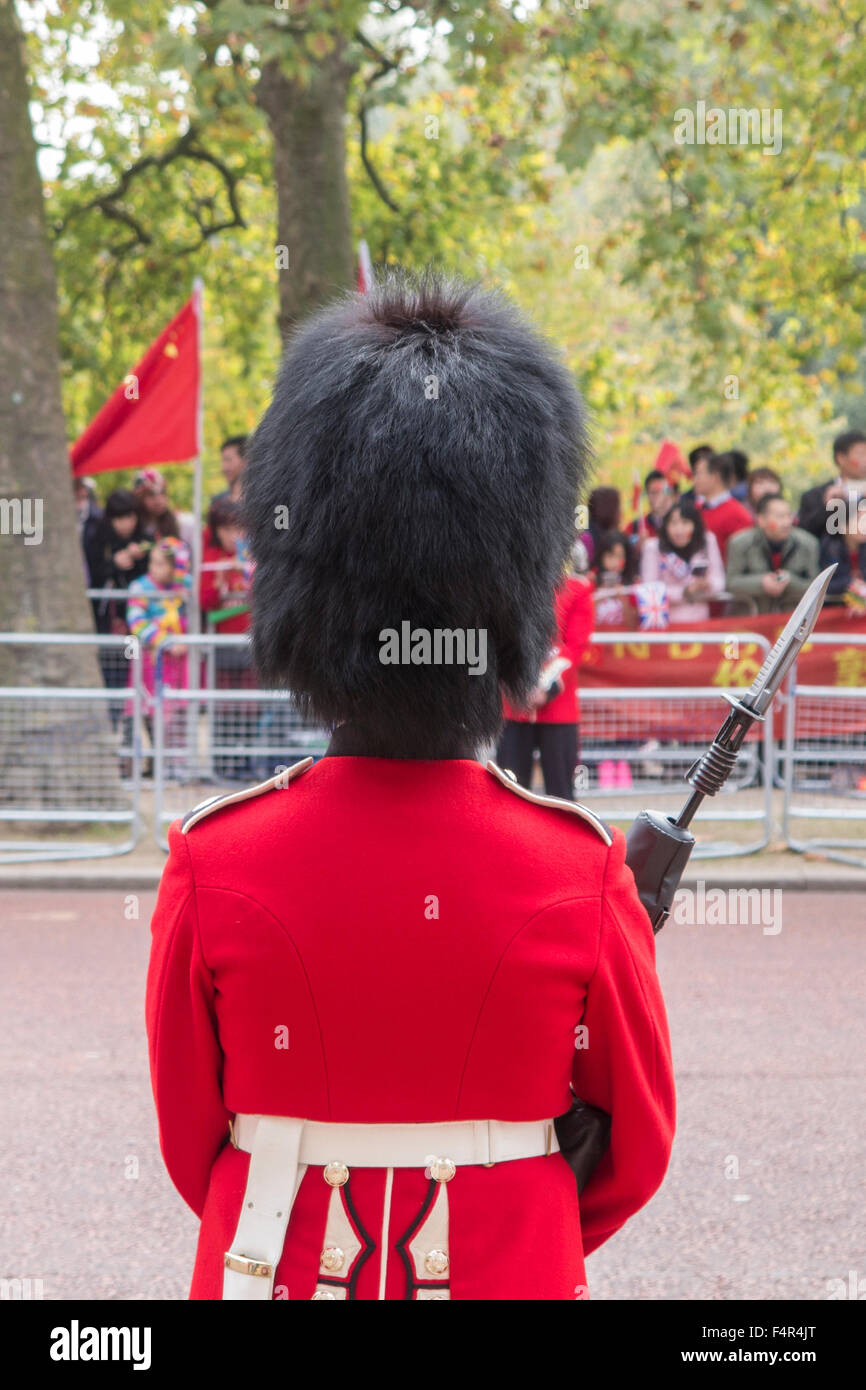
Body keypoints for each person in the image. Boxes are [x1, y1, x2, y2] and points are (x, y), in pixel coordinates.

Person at [146, 269, 675, 1303]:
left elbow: (191, 1139)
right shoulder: (577, 867)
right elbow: (636, 1148)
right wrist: (522, 1213)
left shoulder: (215, 857)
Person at [498, 568, 594, 800]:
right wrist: (519, 682)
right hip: (515, 705)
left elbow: (575, 645)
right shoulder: (509, 585)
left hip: (557, 708)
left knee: (561, 796)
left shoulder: (577, 589)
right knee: (510, 794)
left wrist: (544, 687)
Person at [200, 497, 255, 780]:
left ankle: (245, 762)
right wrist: (220, 580)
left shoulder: (253, 557)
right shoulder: (211, 558)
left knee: (249, 706)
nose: (233, 535)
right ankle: (222, 762)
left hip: (250, 642)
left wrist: (245, 574)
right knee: (222, 705)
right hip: (221, 643)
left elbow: (264, 596)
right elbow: (205, 600)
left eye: (237, 528)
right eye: (225, 529)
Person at [125, 538, 191, 756]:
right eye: (152, 562)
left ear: (174, 567)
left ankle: (173, 762)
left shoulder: (184, 587)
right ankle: (149, 761)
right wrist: (165, 642)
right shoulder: (140, 587)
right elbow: (136, 621)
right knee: (147, 710)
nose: (154, 568)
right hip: (150, 661)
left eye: (161, 564)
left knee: (176, 714)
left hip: (177, 664)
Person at [726, 494, 819, 614]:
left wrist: (790, 581)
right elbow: (731, 583)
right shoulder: (740, 543)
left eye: (789, 515)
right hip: (752, 617)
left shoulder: (808, 543)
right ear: (761, 520)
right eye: (780, 516)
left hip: (791, 616)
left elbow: (816, 586)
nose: (786, 522)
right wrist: (761, 582)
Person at [640, 497, 725, 622]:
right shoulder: (653, 547)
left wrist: (707, 586)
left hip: (700, 620)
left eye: (685, 523)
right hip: (666, 621)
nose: (679, 530)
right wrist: (684, 592)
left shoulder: (707, 541)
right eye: (673, 523)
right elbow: (650, 589)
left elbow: (719, 581)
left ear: (695, 525)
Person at [797, 430, 866, 540]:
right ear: (841, 458)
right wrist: (828, 508)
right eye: (861, 454)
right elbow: (805, 535)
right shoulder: (814, 496)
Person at [692, 451, 753, 562]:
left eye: (698, 473)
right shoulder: (695, 508)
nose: (694, 479)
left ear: (715, 477)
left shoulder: (737, 515)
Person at [134, 468, 195, 549]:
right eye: (151, 494)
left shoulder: (183, 523)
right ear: (139, 498)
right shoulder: (132, 526)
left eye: (162, 492)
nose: (158, 499)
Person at [820, 500, 866, 606]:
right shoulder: (830, 547)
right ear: (843, 526)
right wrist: (849, 583)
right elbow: (824, 584)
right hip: (834, 606)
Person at [592, 529, 639, 629]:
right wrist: (600, 596)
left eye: (620, 556)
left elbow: (633, 627)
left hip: (622, 639)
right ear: (601, 557)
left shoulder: (632, 586)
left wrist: (623, 600)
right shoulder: (592, 580)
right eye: (610, 556)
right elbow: (584, 620)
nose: (615, 562)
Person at [627, 469, 676, 541]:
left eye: (665, 491)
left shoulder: (683, 524)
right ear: (647, 494)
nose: (660, 496)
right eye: (654, 492)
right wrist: (638, 544)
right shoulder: (635, 527)